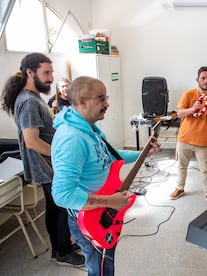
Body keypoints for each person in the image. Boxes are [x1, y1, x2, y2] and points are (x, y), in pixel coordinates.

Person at [51, 76, 160, 276]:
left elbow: (110, 155)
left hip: (102, 211)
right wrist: (110, 201)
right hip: (90, 218)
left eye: (106, 98)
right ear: (82, 101)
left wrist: (143, 153)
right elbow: (62, 195)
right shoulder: (72, 139)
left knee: (105, 265)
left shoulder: (88, 128)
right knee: (100, 269)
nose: (107, 104)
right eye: (101, 99)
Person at [1, 53, 84, 266]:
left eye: (51, 72)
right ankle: (62, 251)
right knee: (63, 207)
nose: (51, 77)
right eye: (46, 72)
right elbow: (32, 142)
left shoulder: (32, 97)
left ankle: (61, 247)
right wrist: (61, 159)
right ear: (30, 72)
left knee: (55, 208)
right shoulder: (29, 101)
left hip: (49, 166)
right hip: (48, 166)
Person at [169, 66, 207, 205]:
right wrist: (193, 109)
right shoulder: (188, 94)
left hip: (203, 140)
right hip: (184, 138)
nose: (206, 81)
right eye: (203, 78)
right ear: (197, 79)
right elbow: (179, 113)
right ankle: (180, 188)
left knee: (206, 169)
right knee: (181, 166)